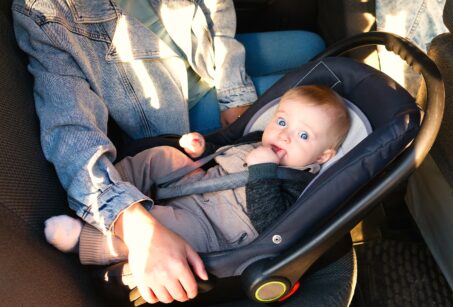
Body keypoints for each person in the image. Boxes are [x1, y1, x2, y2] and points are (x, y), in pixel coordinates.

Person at [12, 0, 325, 304]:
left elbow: (214, 6)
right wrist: (131, 221)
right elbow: (71, 129)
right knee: (316, 87)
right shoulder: (47, 13)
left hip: (205, 63)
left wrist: (234, 93)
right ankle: (98, 233)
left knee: (314, 51)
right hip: (180, 114)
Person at [45, 84, 351, 267]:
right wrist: (202, 146)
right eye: (282, 121)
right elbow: (223, 149)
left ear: (323, 157)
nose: (284, 135)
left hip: (212, 230)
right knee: (161, 156)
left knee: (158, 231)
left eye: (303, 135)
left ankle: (87, 241)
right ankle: (105, 190)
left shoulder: (301, 183)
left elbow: (271, 222)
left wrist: (263, 172)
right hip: (197, 182)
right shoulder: (260, 137)